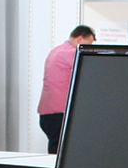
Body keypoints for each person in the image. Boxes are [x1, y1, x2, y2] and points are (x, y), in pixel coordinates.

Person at [37, 25, 95, 154]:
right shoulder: (71, 53)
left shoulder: (56, 51)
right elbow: (92, 69)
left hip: (47, 112)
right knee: (62, 151)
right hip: (59, 112)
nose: (89, 48)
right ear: (80, 39)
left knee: (56, 148)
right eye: (89, 44)